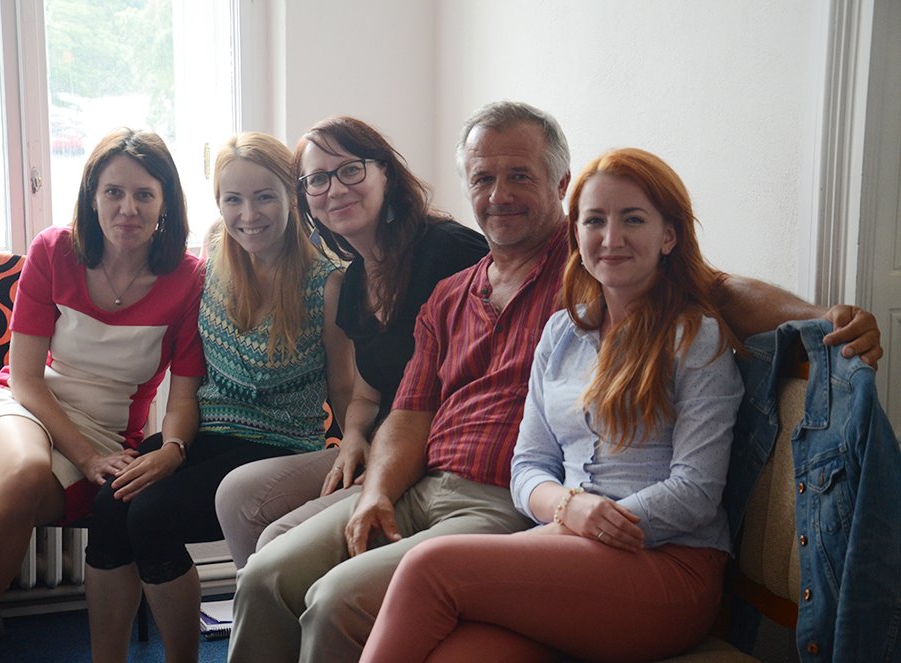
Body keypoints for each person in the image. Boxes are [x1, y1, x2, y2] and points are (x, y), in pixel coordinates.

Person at [227, 101, 883, 663]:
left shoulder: (592, 263)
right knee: (264, 575)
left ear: (560, 185)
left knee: (337, 601)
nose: (499, 194)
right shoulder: (468, 299)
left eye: (520, 175)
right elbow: (413, 410)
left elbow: (716, 289)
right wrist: (377, 492)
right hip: (441, 486)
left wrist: (821, 317)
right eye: (484, 178)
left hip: (510, 513)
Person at [361, 147, 744, 662]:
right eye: (595, 220)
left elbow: (696, 491)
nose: (611, 238)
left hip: (670, 565)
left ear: (669, 236)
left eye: (633, 219)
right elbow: (528, 466)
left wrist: (589, 522)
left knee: (427, 565)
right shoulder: (561, 332)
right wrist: (567, 508)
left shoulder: (695, 338)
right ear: (576, 235)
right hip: (568, 550)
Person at [0, 128, 205, 663]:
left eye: (144, 194)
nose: (127, 208)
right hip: (19, 407)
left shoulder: (189, 279)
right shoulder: (54, 249)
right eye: (113, 192)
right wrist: (87, 457)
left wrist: (171, 449)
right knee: (25, 470)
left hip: (108, 435)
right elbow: (25, 378)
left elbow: (184, 400)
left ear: (166, 203)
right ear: (92, 196)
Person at [83, 131, 354, 663]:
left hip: (278, 446)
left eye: (264, 197)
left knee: (151, 515)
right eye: (233, 199)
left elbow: (343, 386)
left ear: (293, 196)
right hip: (206, 432)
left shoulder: (326, 283)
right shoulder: (213, 252)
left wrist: (358, 457)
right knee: (110, 505)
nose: (248, 215)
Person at [214, 117, 488, 567]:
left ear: (386, 173)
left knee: (278, 542)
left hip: (437, 454)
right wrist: (355, 436)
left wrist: (388, 465)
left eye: (350, 170)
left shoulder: (451, 252)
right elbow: (365, 393)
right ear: (305, 199)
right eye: (317, 180)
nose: (335, 189)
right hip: (378, 443)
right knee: (238, 494)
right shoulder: (355, 280)